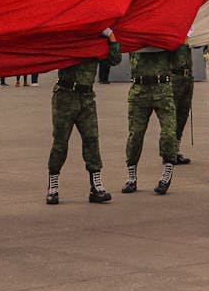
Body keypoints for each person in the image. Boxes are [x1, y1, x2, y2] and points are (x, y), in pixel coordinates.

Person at [46, 27, 121, 204]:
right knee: (60, 142)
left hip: (86, 98)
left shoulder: (98, 41)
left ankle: (96, 186)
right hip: (65, 95)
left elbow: (115, 59)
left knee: (92, 140)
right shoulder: (68, 37)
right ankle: (53, 186)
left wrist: (110, 35)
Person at [122, 45, 179, 195]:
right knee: (135, 135)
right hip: (139, 90)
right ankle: (131, 176)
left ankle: (167, 171)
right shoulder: (134, 33)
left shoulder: (164, 37)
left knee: (169, 133)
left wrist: (182, 43)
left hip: (163, 89)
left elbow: (179, 61)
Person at [170, 42, 194, 165]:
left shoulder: (189, 32)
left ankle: (176, 150)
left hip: (188, 78)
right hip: (175, 77)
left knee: (183, 115)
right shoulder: (174, 31)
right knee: (171, 117)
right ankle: (169, 152)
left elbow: (199, 44)